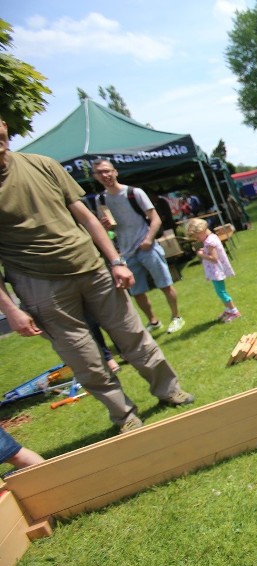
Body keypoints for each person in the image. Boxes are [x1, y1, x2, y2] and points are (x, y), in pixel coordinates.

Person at [0, 114, 195, 433]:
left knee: (133, 334)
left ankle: (168, 390)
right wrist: (11, 310)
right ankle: (124, 415)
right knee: (84, 359)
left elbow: (89, 219)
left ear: (5, 125)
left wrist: (116, 260)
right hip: (39, 285)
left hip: (92, 268)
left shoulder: (42, 164)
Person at [92, 159, 186, 334]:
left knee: (165, 284)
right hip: (126, 252)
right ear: (95, 177)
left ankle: (176, 317)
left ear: (115, 172)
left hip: (147, 247)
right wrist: (105, 226)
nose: (105, 175)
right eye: (100, 173)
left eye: (107, 171)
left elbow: (156, 219)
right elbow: (109, 227)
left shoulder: (134, 192)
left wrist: (149, 239)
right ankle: (154, 321)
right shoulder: (101, 199)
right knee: (137, 291)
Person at [185, 218, 241, 323]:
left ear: (202, 231)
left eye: (197, 237)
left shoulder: (209, 242)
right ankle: (229, 310)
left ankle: (234, 311)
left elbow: (214, 258)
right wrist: (204, 250)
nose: (197, 240)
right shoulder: (211, 238)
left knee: (221, 292)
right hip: (216, 270)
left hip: (217, 271)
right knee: (219, 291)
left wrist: (201, 255)